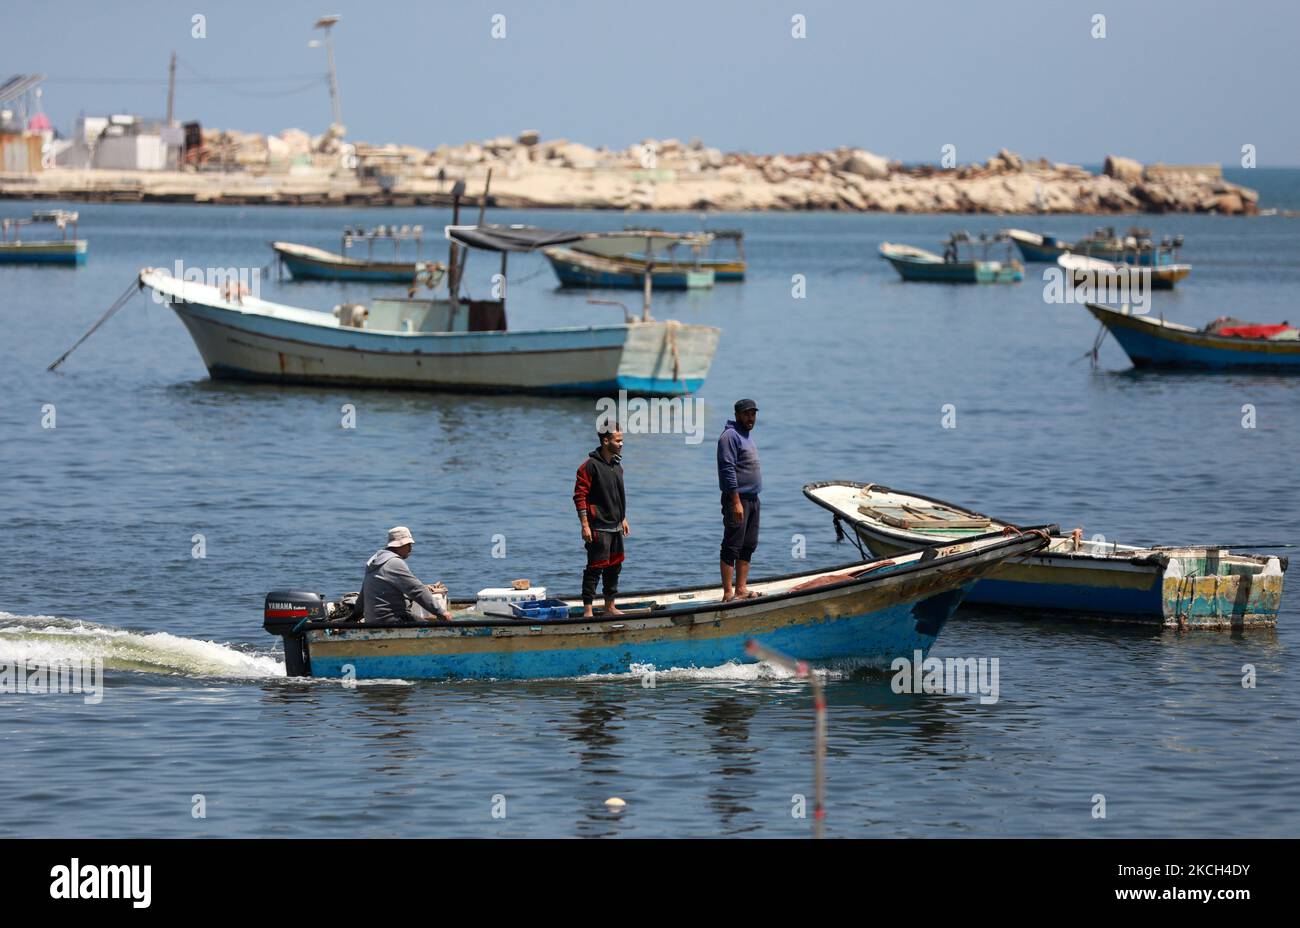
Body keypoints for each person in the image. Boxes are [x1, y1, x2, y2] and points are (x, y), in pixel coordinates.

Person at [573, 424, 629, 618]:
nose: (622, 443)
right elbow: (579, 496)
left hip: (616, 526)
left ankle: (609, 607)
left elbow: (618, 495)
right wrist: (585, 525)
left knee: (614, 567)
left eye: (622, 440)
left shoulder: (616, 465)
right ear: (606, 441)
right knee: (594, 568)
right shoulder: (589, 466)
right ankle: (587, 611)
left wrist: (623, 518)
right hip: (598, 527)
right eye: (618, 440)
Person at [717, 399, 761, 601]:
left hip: (752, 499)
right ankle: (728, 592)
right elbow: (727, 470)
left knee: (748, 545)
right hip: (737, 498)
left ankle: (741, 588)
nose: (750, 418)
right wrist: (735, 502)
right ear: (737, 415)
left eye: (753, 414)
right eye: (746, 414)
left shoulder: (746, 436)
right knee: (732, 545)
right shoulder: (730, 436)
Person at [360, 526, 453, 623]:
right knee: (432, 627)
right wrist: (441, 612)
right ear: (400, 545)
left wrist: (353, 618)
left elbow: (362, 597)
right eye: (408, 544)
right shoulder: (394, 563)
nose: (411, 548)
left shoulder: (373, 561)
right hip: (391, 620)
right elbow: (417, 591)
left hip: (372, 620)